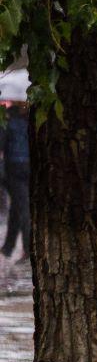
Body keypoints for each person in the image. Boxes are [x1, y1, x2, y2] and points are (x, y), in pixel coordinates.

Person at [0, 102, 30, 261]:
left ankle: (27, 248)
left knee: (23, 207)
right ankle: (8, 247)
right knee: (18, 206)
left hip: (15, 168)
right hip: (29, 167)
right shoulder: (32, 117)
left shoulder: (8, 119)